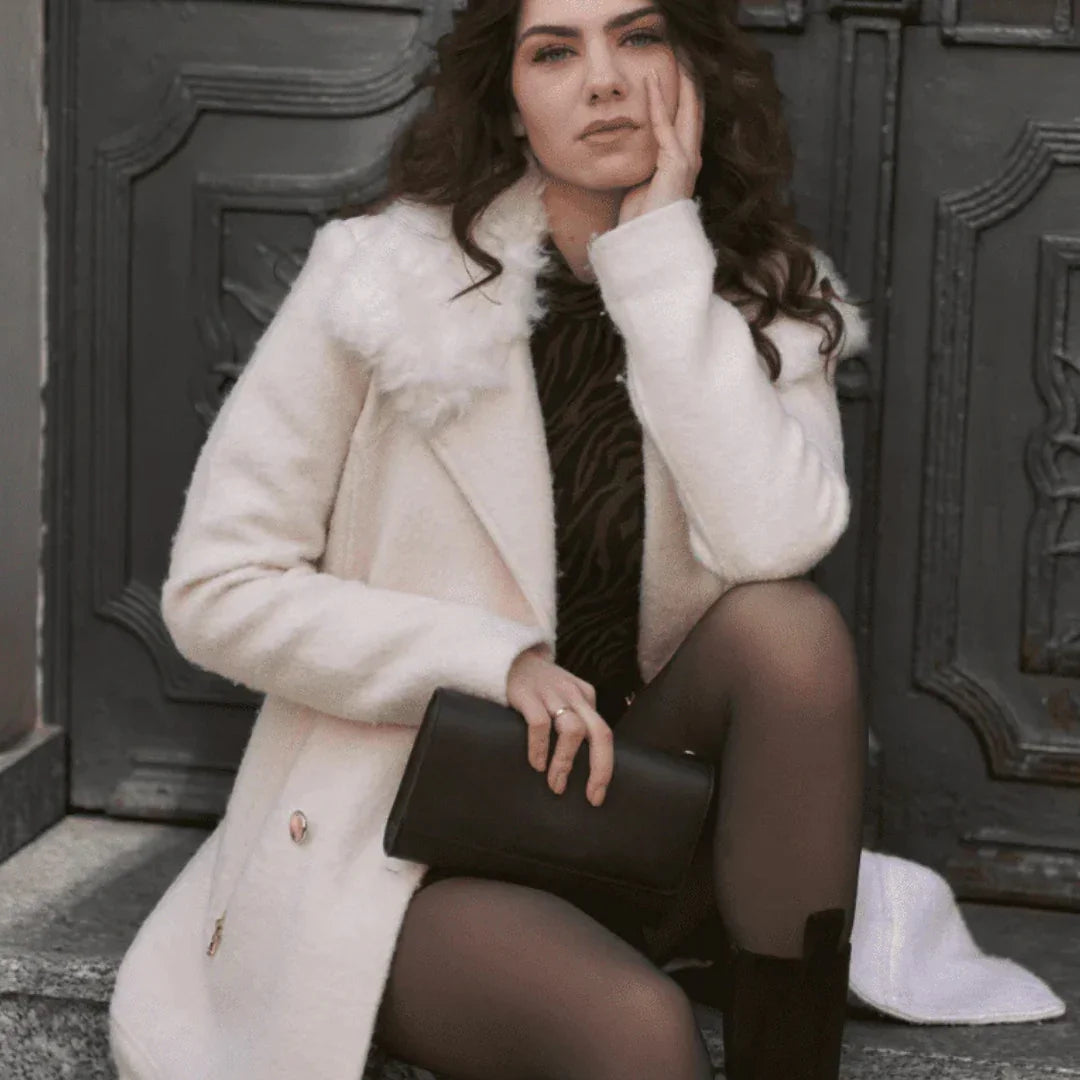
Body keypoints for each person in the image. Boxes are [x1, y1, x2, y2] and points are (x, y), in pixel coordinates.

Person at [107, 0, 872, 1078]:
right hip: (420, 846)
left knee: (791, 633)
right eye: (554, 51)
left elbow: (775, 543)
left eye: (638, 37)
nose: (604, 79)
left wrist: (659, 260)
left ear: (691, 72)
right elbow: (218, 588)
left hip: (646, 816)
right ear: (509, 104)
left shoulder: (764, 294)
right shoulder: (382, 278)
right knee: (636, 1031)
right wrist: (486, 662)